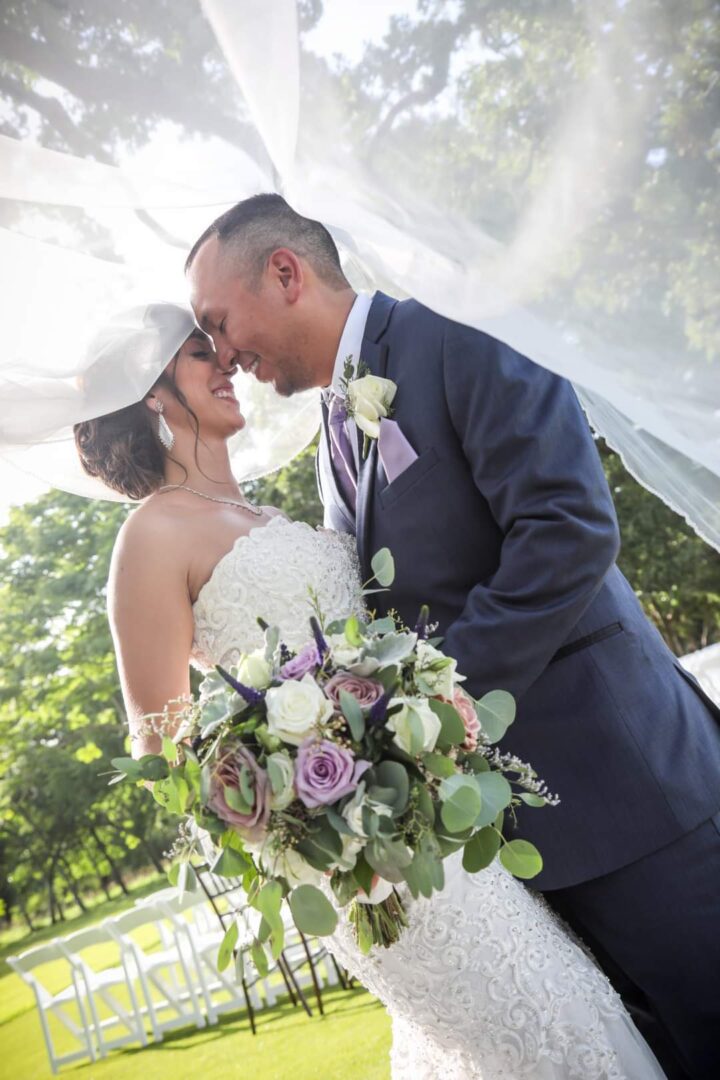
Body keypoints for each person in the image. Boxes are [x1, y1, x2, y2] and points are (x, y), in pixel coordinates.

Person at [185, 193, 720, 1080]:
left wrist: (425, 706)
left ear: (285, 272)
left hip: (631, 791)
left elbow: (569, 526)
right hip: (520, 841)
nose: (222, 354)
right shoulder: (330, 433)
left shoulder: (457, 329)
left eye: (217, 321)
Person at [77, 301, 667, 1079]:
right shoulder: (152, 534)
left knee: (568, 1005)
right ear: (152, 393)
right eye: (197, 353)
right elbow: (158, 741)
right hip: (356, 859)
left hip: (434, 824)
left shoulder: (264, 511)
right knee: (542, 1022)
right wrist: (281, 781)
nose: (225, 362)